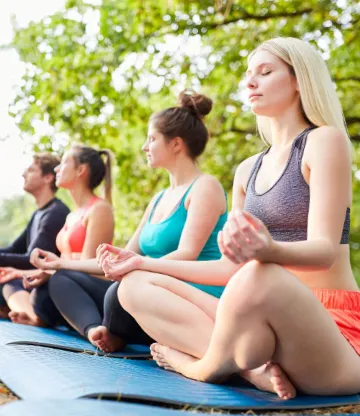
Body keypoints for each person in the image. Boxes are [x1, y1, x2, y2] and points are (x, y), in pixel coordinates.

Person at [100, 37, 360, 399]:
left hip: (331, 330)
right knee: (133, 285)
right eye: (248, 75)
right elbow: (227, 270)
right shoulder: (246, 171)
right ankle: (253, 372)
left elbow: (324, 251)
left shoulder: (323, 141)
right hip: (259, 326)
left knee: (261, 275)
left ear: (299, 79)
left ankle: (199, 366)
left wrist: (267, 251)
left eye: (265, 73)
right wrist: (143, 262)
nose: (250, 83)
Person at [31, 91, 228, 351]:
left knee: (117, 294)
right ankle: (97, 331)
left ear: (176, 144)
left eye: (152, 139)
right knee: (62, 279)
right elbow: (126, 256)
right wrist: (60, 263)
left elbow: (187, 254)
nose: (145, 147)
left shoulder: (205, 187)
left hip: (187, 300)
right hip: (144, 291)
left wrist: (135, 268)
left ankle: (116, 331)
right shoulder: (158, 199)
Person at [11, 144, 114, 328]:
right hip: (66, 282)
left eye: (64, 162)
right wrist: (23, 273)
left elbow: (88, 266)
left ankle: (93, 328)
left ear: (81, 170)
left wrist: (51, 272)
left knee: (55, 283)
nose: (57, 168)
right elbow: (65, 264)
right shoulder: (71, 215)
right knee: (13, 280)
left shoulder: (100, 210)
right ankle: (35, 317)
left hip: (87, 289)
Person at [0, 153, 69, 320]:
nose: (24, 174)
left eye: (30, 170)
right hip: (31, 279)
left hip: (48, 286)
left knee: (9, 282)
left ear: (47, 177)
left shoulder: (56, 213)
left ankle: (32, 317)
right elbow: (13, 250)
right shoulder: (39, 213)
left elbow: (31, 259)